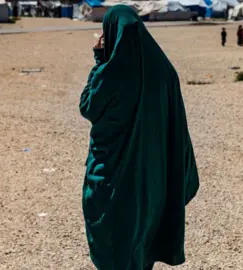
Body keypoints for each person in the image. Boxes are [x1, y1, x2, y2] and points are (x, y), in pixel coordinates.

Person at [79, 5, 200, 270]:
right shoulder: (166, 72)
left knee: (114, 241)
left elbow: (88, 106)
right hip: (153, 178)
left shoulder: (110, 73)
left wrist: (99, 59)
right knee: (144, 236)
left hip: (113, 180)